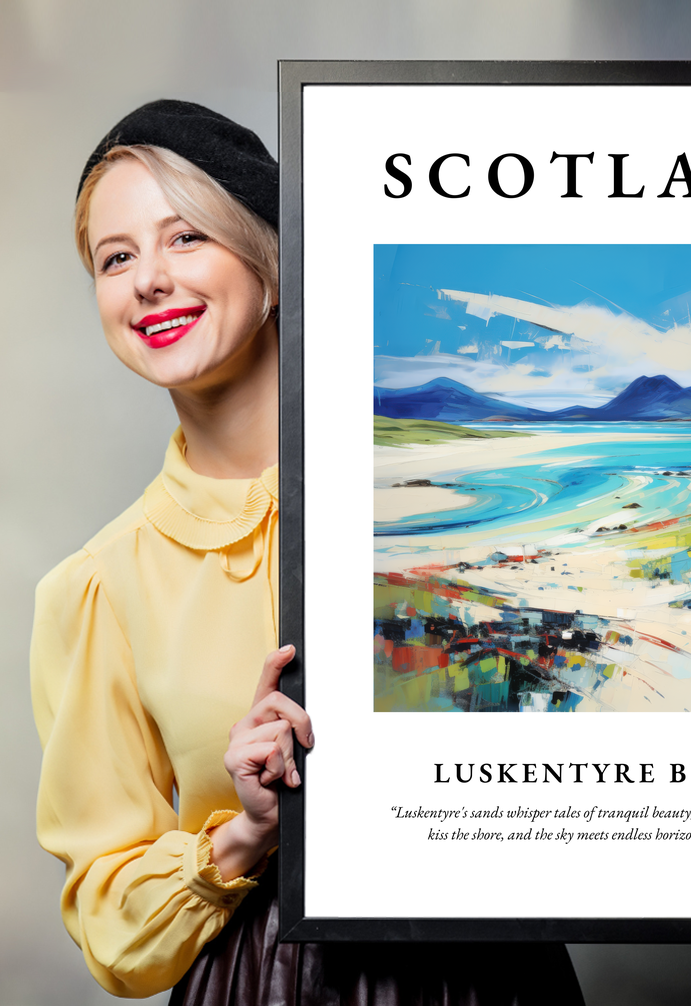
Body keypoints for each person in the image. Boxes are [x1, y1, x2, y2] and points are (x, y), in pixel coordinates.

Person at [30, 100, 585, 1004]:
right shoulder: (97, 587)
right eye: (116, 257)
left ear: (273, 264)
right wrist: (245, 832)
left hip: (493, 973)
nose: (148, 281)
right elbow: (110, 923)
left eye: (186, 239)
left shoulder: (451, 504)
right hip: (263, 982)